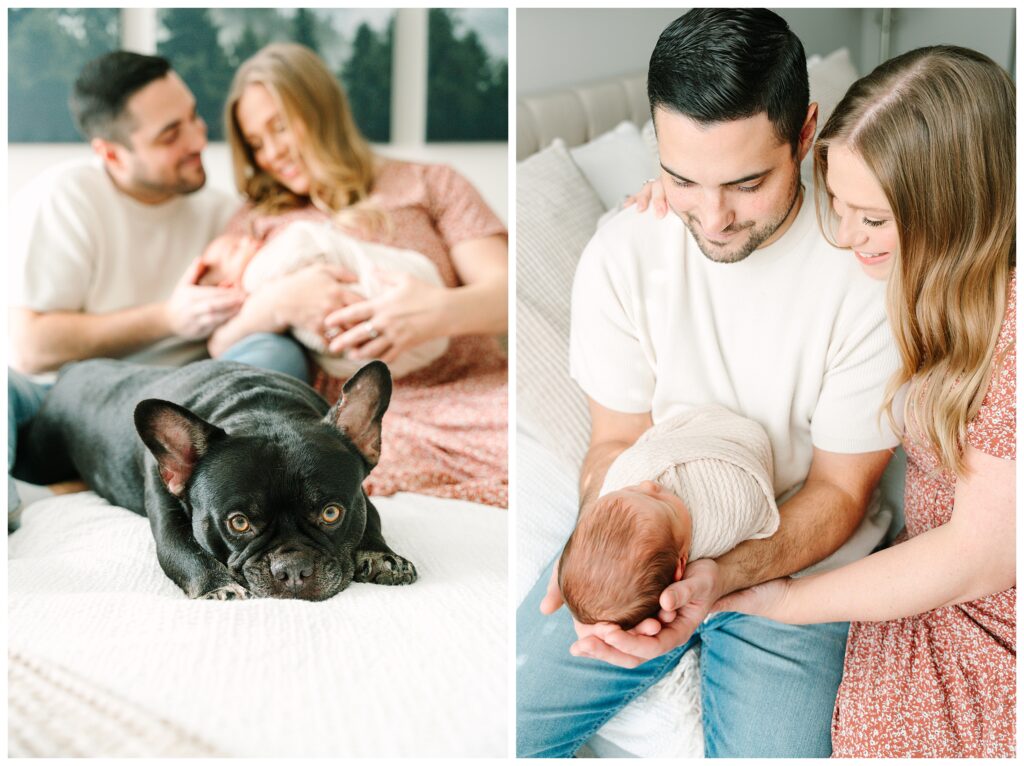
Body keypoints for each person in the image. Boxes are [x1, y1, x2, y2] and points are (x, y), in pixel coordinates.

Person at [516, 9, 900, 757]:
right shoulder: (624, 254)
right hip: (647, 555)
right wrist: (611, 562)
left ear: (806, 132)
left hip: (799, 568)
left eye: (746, 183)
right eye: (682, 178)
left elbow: (840, 494)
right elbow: (617, 442)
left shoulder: (866, 269)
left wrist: (720, 577)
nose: (714, 217)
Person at [702, 46, 1015, 758]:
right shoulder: (936, 284)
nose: (845, 237)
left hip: (986, 604)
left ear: (956, 211)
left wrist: (788, 603)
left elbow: (982, 557)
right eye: (838, 205)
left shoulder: (1011, 332)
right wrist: (690, 195)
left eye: (871, 219)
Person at [7, 51, 306, 530]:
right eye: (170, 134)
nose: (197, 139)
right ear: (111, 153)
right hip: (71, 405)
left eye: (192, 117)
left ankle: (110, 479)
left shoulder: (224, 212)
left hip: (182, 415)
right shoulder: (65, 198)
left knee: (276, 353)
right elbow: (32, 347)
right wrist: (169, 318)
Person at [212, 43, 509, 506]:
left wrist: (436, 313)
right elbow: (219, 345)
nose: (271, 153)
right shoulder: (256, 222)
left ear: (323, 108)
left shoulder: (430, 183)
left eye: (280, 127)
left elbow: (507, 294)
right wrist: (277, 303)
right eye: (256, 142)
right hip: (349, 416)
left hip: (470, 393)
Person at [558, 405, 779, 628]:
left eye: (631, 489)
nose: (649, 485)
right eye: (659, 501)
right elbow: (752, 498)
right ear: (680, 567)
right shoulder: (721, 514)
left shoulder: (630, 496)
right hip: (735, 446)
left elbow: (629, 461)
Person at [196, 220, 449, 379]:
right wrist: (276, 301)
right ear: (227, 285)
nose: (248, 240)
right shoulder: (254, 273)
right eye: (235, 249)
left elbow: (305, 242)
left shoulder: (276, 248)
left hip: (427, 307)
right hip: (381, 358)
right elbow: (219, 346)